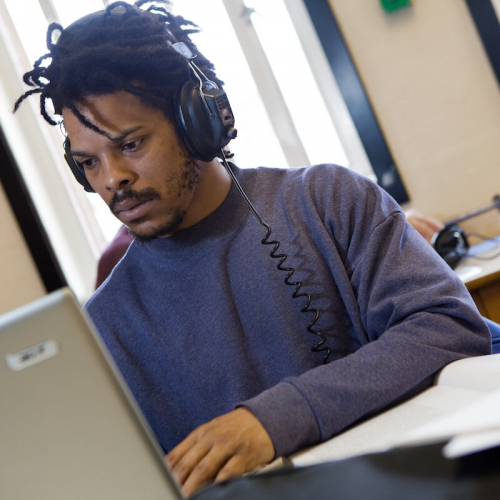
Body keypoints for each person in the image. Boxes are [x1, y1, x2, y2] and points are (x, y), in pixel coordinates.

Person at [14, 1, 491, 496]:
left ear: (197, 118)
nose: (114, 180)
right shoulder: (106, 327)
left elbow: (448, 327)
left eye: (131, 144)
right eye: (89, 163)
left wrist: (273, 419)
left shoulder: (328, 201)